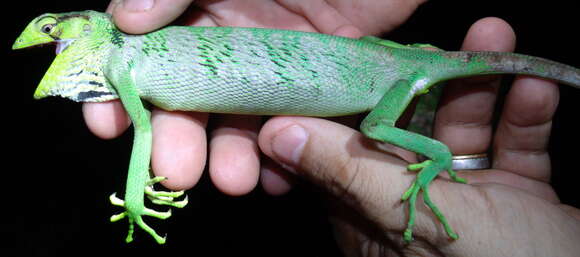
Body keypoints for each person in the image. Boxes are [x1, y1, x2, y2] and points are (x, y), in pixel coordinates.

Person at [87, 0, 580, 255]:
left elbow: (146, 132)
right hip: (398, 60)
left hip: (399, 70)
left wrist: (441, 160)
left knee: (375, 130)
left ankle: (441, 155)